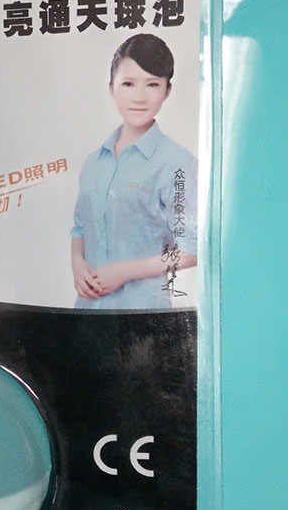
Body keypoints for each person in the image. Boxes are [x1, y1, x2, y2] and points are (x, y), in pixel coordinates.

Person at [70, 33, 198, 309]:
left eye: (152, 84)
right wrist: (77, 263)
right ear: (111, 88)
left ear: (167, 91)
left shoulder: (177, 162)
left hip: (142, 316)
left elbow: (191, 249)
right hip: (87, 311)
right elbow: (79, 228)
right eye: (128, 83)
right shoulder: (94, 162)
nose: (139, 97)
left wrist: (124, 272)